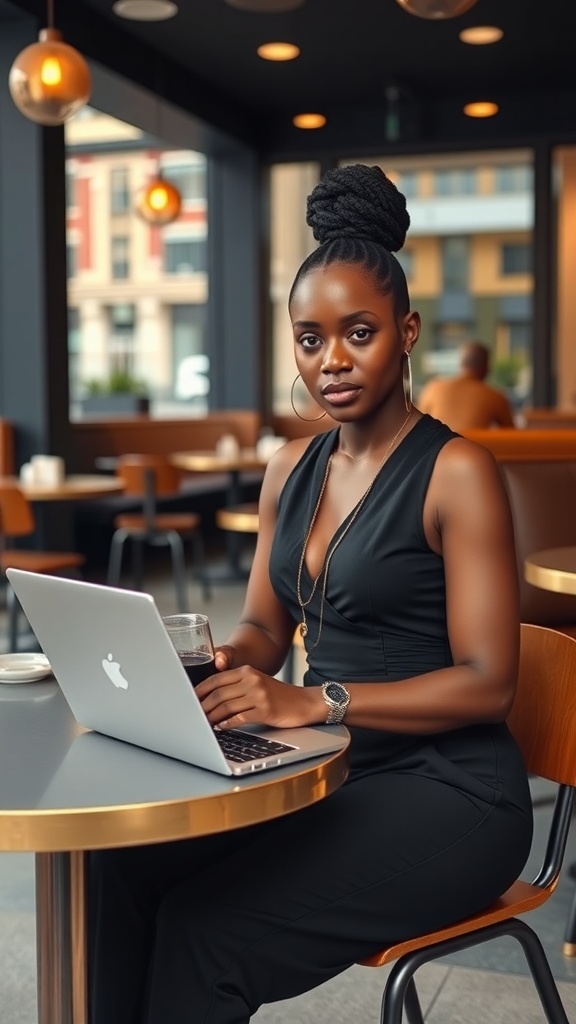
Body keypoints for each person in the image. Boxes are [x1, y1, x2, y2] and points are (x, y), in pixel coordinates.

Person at [89, 164, 533, 1024]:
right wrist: (225, 667)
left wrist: (312, 699)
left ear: (406, 333)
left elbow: (490, 683)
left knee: (203, 931)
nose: (332, 360)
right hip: (334, 769)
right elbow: (263, 621)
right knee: (120, 864)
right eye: (310, 338)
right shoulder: (291, 468)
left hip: (455, 792)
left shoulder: (458, 471)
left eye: (358, 333)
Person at [417, 340, 515, 430]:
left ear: (461, 363)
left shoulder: (433, 388)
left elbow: (416, 426)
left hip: (437, 447)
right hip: (474, 447)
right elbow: (511, 436)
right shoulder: (496, 397)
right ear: (487, 367)